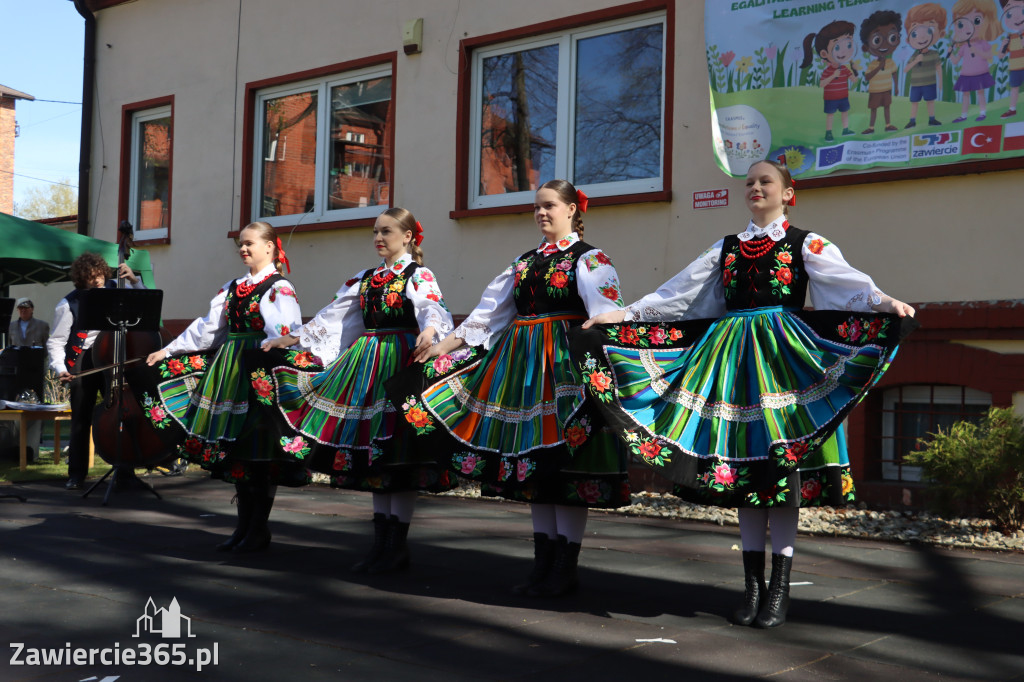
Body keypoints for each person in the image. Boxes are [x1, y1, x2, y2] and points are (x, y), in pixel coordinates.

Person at [575, 160, 917, 627]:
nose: (756, 188)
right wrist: (627, 314)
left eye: (766, 182)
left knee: (782, 474)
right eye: (750, 183)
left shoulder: (805, 243)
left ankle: (779, 589)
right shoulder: (726, 248)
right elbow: (681, 293)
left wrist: (884, 303)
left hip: (782, 362)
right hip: (733, 362)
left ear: (787, 194)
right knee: (745, 471)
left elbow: (846, 282)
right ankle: (752, 585)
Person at [389, 179, 630, 597]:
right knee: (533, 463)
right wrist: (441, 348)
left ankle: (565, 567)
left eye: (550, 206)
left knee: (565, 466)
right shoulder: (522, 263)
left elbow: (605, 315)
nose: (541, 213)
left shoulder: (590, 260)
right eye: (537, 206)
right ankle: (543, 564)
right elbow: (487, 317)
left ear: (572, 210)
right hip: (521, 371)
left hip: (563, 370)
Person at [256, 208, 455, 573]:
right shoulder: (365, 278)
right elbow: (333, 316)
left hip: (399, 364)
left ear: (408, 236)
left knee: (398, 451)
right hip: (366, 365)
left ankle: (396, 546)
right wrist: (295, 337)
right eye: (375, 232)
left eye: (387, 231)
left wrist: (429, 331)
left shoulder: (418, 274)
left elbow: (431, 308)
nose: (379, 238)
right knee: (375, 452)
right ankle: (382, 544)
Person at [143, 222, 301, 552]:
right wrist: (168, 350)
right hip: (230, 370)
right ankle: (244, 526)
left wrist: (278, 346)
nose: (243, 249)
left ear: (270, 246)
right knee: (238, 450)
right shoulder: (232, 287)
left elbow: (286, 330)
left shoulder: (278, 287)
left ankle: (258, 528)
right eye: (240, 244)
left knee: (261, 449)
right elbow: (207, 329)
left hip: (260, 370)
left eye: (250, 244)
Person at [47, 254, 145, 490]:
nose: (98, 281)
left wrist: (134, 280)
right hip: (84, 358)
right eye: (91, 278)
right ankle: (76, 474)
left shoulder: (117, 288)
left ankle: (125, 471)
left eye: (100, 275)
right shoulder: (68, 303)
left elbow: (143, 304)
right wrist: (61, 368)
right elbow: (56, 341)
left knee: (121, 413)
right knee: (81, 416)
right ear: (82, 280)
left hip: (113, 355)